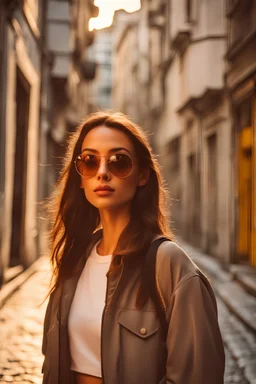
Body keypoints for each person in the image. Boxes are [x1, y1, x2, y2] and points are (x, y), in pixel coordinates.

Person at [42, 111, 225, 384]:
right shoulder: (73, 262)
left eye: (119, 162)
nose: (102, 173)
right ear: (80, 177)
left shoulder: (170, 265)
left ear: (142, 175)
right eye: (90, 161)